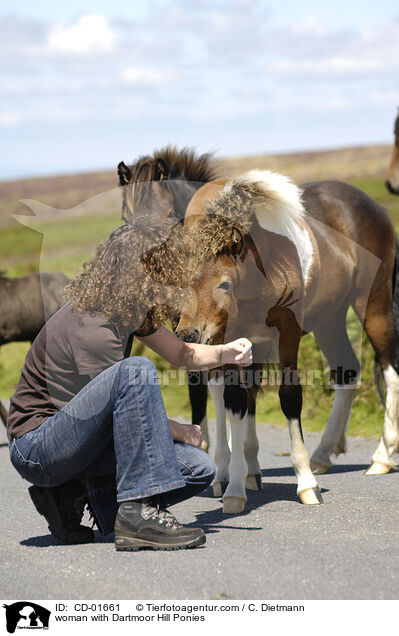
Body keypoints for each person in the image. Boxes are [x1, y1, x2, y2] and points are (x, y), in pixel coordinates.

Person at [7, 217, 252, 551]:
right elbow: (121, 417)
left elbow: (182, 353)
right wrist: (179, 431)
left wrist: (227, 353)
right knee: (135, 370)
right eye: (162, 275)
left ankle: (71, 494)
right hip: (38, 446)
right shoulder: (92, 325)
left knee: (198, 468)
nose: (169, 286)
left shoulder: (127, 310)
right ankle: (138, 516)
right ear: (140, 274)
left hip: (80, 445)